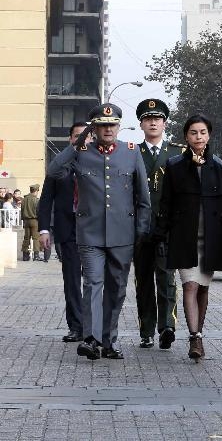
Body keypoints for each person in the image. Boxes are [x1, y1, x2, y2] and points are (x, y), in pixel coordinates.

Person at [47, 103, 151, 360]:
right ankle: (91, 339)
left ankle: (109, 340)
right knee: (93, 284)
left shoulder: (131, 152)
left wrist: (140, 232)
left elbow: (143, 198)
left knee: (116, 288)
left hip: (122, 234)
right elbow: (54, 171)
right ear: (94, 127)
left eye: (112, 124)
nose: (108, 129)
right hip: (90, 233)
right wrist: (77, 142)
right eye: (102, 125)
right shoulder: (81, 153)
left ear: (118, 126)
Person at [154, 115, 222, 361]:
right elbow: (166, 203)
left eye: (202, 132)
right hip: (185, 237)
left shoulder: (220, 166)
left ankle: (199, 332)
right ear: (186, 136)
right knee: (190, 285)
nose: (198, 137)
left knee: (203, 288)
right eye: (193, 132)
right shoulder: (174, 165)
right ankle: (195, 338)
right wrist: (160, 235)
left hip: (212, 237)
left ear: (209, 135)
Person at [133, 98, 184, 350]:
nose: (153, 122)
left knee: (167, 279)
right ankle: (146, 330)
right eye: (148, 119)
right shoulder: (132, 152)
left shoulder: (178, 152)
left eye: (157, 118)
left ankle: (167, 327)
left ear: (164, 123)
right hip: (140, 229)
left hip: (167, 228)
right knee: (143, 281)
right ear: (141, 124)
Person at [38, 122, 89, 342]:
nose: (82, 140)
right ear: (70, 139)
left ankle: (94, 325)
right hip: (67, 231)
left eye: (86, 137)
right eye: (77, 136)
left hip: (93, 231)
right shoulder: (59, 165)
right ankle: (76, 326)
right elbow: (46, 199)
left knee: (94, 281)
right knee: (71, 280)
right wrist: (43, 230)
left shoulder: (98, 161)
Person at [20, 184, 41, 261]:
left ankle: (25, 255)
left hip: (26, 220)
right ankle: (36, 255)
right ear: (36, 191)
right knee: (36, 238)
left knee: (26, 238)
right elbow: (39, 211)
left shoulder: (24, 199)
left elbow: (22, 211)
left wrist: (23, 219)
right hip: (34, 220)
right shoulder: (36, 200)